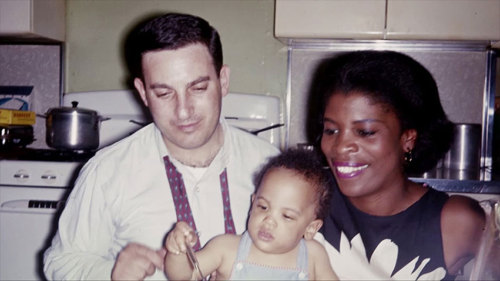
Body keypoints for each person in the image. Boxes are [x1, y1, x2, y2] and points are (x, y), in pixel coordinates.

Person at [43, 13, 280, 281]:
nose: (183, 110)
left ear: (223, 81)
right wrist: (110, 274)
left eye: (198, 88)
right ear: (143, 93)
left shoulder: (272, 167)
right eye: (164, 93)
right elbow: (60, 264)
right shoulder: (107, 172)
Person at [310, 50, 486, 280]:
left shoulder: (455, 221)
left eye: (365, 132)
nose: (341, 147)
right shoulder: (307, 198)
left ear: (407, 139)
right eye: (331, 130)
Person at [164, 149, 338, 280]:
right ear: (252, 202)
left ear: (310, 228)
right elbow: (182, 276)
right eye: (263, 207)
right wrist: (177, 251)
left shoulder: (313, 255)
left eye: (286, 216)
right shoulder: (226, 248)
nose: (269, 221)